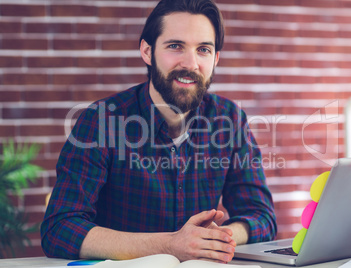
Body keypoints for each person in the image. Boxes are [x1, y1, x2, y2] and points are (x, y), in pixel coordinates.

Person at [41, 0, 277, 264]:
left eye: (203, 50)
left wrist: (217, 238)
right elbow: (59, 228)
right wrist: (170, 245)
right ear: (147, 51)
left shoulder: (230, 119)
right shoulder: (101, 120)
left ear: (215, 59)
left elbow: (261, 216)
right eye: (175, 46)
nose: (191, 63)